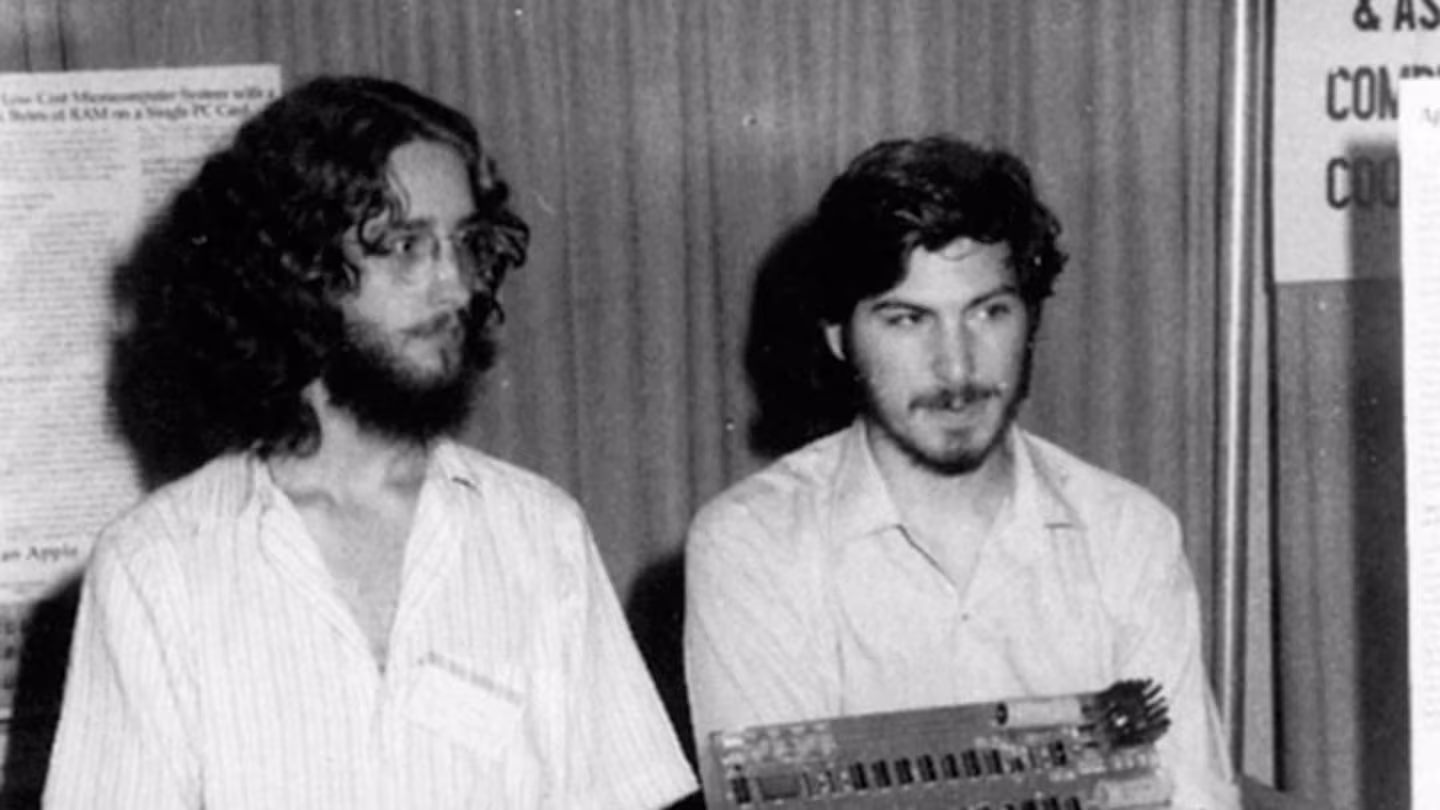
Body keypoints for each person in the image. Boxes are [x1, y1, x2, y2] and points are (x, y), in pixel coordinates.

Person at [45, 75, 697, 810]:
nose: (455, 287)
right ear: (297, 271)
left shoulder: (537, 532)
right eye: (405, 246)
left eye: (463, 245)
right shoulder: (156, 566)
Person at [683, 136, 1239, 809]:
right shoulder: (753, 544)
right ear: (838, 335)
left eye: (987, 312)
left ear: (1029, 319)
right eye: (908, 319)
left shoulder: (1128, 535)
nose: (956, 366)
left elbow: (1195, 797)